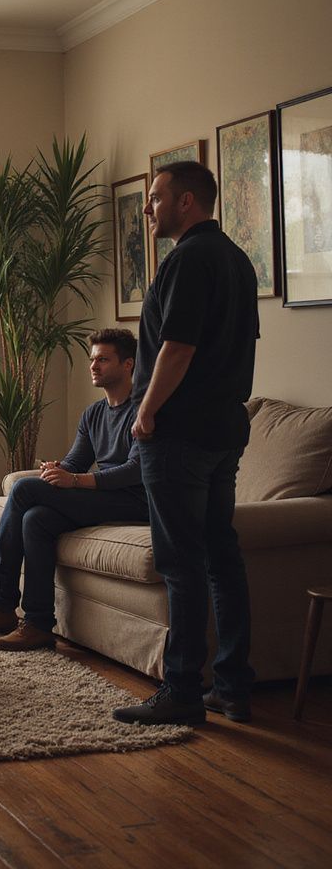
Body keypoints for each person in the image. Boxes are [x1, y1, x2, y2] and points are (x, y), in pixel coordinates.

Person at [113, 161, 259, 726]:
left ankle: (181, 692)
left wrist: (145, 413)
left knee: (182, 563)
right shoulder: (238, 260)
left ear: (187, 201)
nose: (148, 208)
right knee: (222, 556)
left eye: (155, 197)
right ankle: (231, 686)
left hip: (179, 434)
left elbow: (178, 347)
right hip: (224, 428)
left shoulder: (190, 259)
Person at [0, 328, 149, 648]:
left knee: (25, 490)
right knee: (35, 519)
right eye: (92, 359)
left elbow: (138, 470)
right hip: (102, 495)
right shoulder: (94, 413)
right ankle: (36, 623)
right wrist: (58, 470)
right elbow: (76, 461)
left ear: (128, 365)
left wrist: (77, 481)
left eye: (103, 359)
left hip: (135, 500)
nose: (94, 366)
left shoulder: (144, 409)